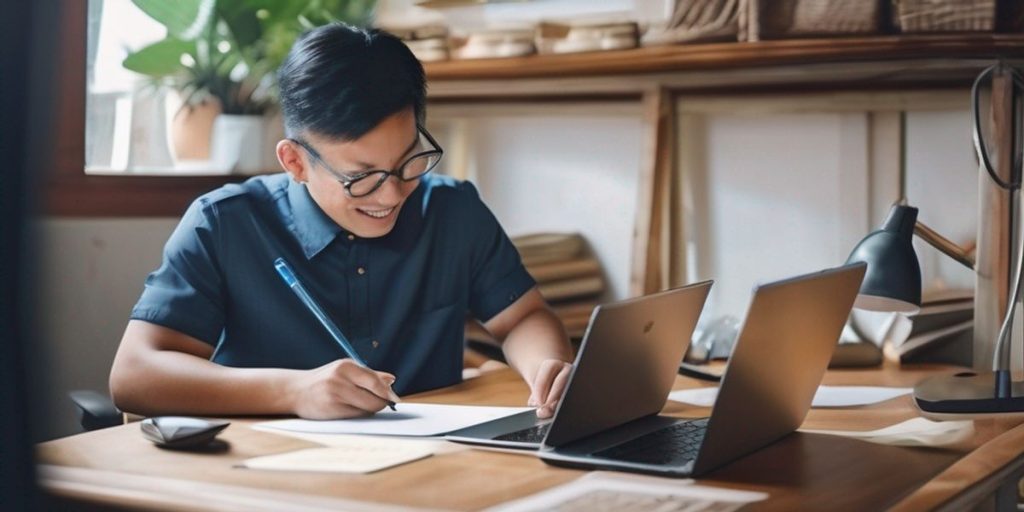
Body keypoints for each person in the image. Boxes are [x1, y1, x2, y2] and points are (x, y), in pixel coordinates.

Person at [109, 24, 573, 420]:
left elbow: (522, 318)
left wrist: (547, 367)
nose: (391, 194)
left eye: (409, 161)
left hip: (430, 469)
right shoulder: (225, 223)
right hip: (264, 474)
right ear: (294, 161)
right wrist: (293, 392)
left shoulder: (452, 210)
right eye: (361, 177)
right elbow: (134, 374)